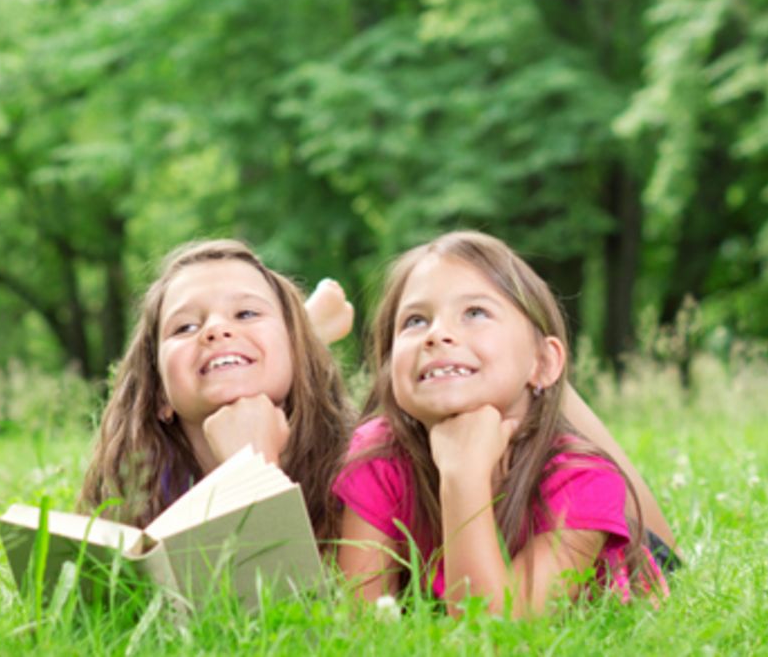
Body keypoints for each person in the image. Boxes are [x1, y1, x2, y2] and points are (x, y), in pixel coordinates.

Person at [336, 231, 670, 616]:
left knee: (612, 487)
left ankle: (543, 382)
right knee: (505, 380)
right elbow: (359, 620)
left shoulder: (584, 481)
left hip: (636, 559)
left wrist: (463, 477)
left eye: (475, 312)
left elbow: (497, 636)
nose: (436, 334)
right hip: (527, 379)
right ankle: (517, 378)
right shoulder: (377, 453)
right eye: (415, 320)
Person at [79, 239, 353, 542]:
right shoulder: (147, 490)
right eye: (184, 327)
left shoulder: (351, 473)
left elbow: (295, 587)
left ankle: (310, 330)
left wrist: (251, 464)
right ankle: (311, 326)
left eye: (246, 314)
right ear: (158, 392)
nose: (215, 329)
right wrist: (249, 463)